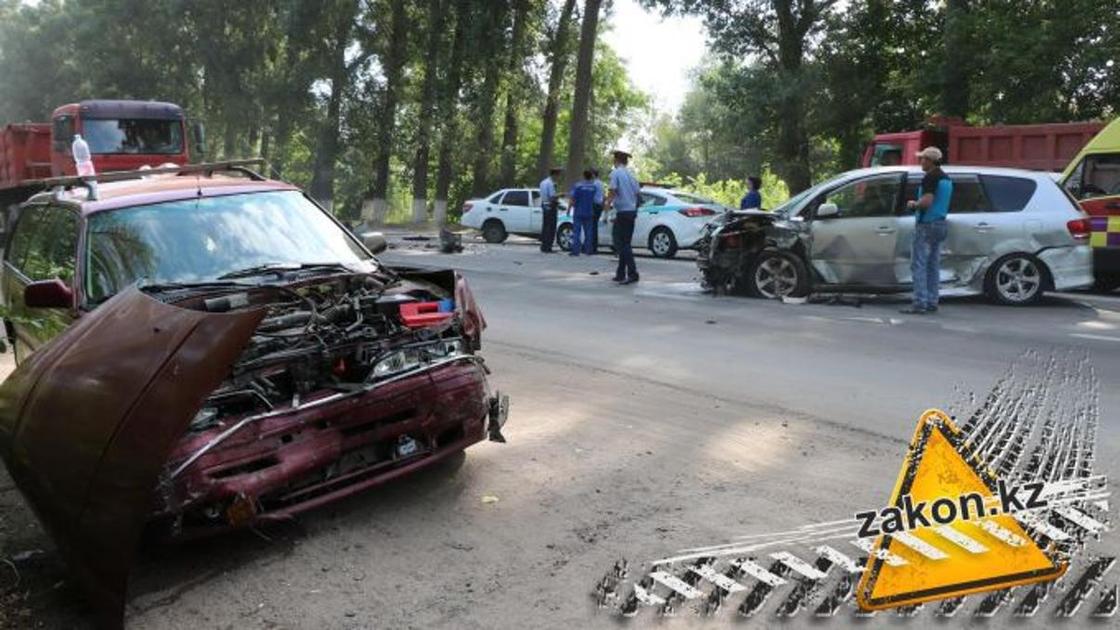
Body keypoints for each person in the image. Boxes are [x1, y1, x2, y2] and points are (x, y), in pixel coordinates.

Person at [901, 146, 953, 314]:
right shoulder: (946, 178)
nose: (920, 162)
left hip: (926, 224)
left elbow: (927, 202)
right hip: (940, 224)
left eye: (922, 159)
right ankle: (932, 301)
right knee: (933, 265)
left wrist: (913, 204)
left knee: (919, 265)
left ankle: (919, 303)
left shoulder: (930, 177)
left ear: (930, 161)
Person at [606, 149, 641, 284]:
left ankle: (633, 273)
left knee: (623, 244)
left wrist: (607, 206)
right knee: (625, 243)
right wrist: (635, 209)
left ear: (616, 160)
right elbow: (638, 195)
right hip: (630, 212)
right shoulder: (631, 174)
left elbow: (612, 191)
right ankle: (620, 273)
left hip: (622, 212)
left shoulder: (616, 173)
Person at [568, 170, 598, 256]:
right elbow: (595, 199)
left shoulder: (578, 186)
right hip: (589, 211)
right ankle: (588, 250)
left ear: (583, 176)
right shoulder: (593, 187)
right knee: (588, 232)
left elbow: (572, 198)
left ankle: (575, 251)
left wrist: (569, 209)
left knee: (577, 231)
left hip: (578, 211)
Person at [539, 167, 562, 252]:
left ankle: (543, 245)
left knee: (545, 226)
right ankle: (548, 246)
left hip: (544, 204)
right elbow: (552, 196)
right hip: (550, 205)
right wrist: (560, 194)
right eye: (558, 175)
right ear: (555, 174)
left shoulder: (542, 182)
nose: (558, 177)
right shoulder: (550, 183)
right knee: (551, 227)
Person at [590, 168, 605, 252]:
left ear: (593, 174)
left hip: (594, 205)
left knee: (592, 226)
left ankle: (592, 247)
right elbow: (603, 195)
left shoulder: (594, 184)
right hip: (599, 205)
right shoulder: (601, 183)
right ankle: (594, 246)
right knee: (595, 226)